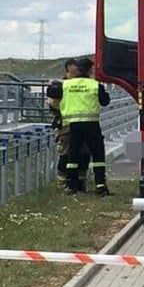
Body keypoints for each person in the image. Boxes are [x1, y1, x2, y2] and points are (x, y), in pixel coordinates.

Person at [47, 57, 111, 195]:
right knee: (97, 154)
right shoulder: (94, 84)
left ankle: (72, 185)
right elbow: (105, 101)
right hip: (91, 124)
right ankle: (100, 186)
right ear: (89, 70)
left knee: (73, 154)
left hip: (73, 125)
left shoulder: (65, 85)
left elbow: (51, 93)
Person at [48, 59, 91, 191]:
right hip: (66, 127)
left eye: (77, 70)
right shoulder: (61, 86)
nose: (75, 72)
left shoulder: (81, 85)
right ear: (67, 70)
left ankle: (80, 182)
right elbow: (53, 105)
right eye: (73, 70)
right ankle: (63, 183)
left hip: (82, 125)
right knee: (66, 155)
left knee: (84, 154)